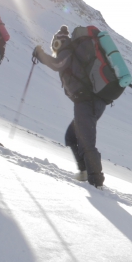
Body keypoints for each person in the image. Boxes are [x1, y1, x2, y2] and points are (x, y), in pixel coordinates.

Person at [33, 26, 107, 188]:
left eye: (54, 44)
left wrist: (40, 54)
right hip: (91, 101)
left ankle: (95, 181)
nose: (54, 47)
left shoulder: (66, 48)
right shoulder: (74, 50)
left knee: (86, 141)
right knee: (72, 137)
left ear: (57, 42)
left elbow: (58, 64)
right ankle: (84, 173)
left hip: (87, 101)